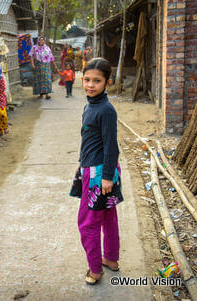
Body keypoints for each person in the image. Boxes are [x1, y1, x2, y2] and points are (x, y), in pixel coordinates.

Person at [77, 58, 122, 285]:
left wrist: (106, 176)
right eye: (87, 79)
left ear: (107, 82)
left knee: (87, 224)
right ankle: (111, 260)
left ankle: (95, 270)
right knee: (107, 217)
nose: (91, 85)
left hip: (99, 174)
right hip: (96, 169)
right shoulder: (90, 105)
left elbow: (111, 145)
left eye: (97, 81)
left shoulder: (106, 110)